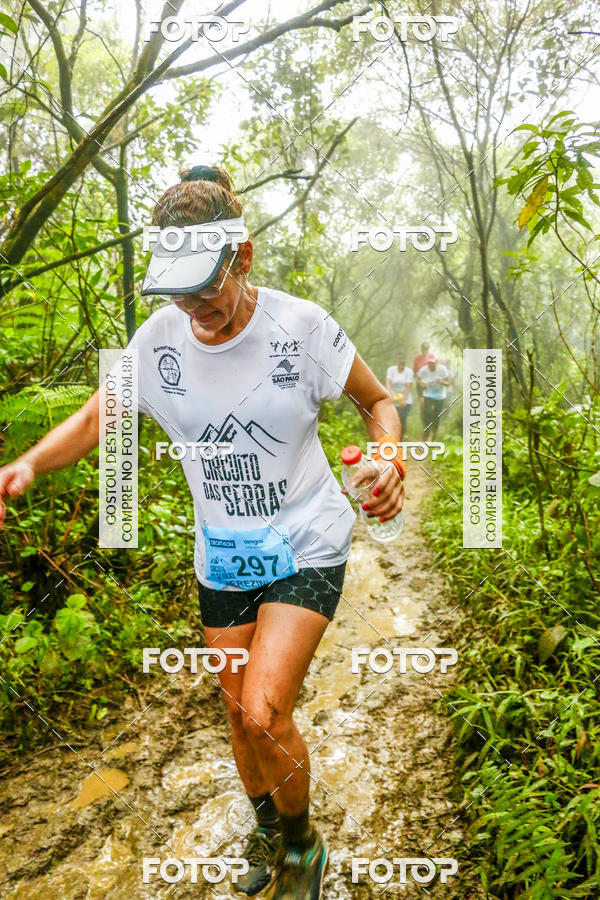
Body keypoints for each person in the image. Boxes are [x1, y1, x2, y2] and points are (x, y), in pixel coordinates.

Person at [0, 166, 406, 900]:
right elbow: (98, 418)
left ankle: (301, 845)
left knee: (264, 708)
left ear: (242, 259)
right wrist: (24, 465)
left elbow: (377, 403)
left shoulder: (303, 326)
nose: (194, 309)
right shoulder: (161, 340)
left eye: (207, 291)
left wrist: (386, 453)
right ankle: (265, 827)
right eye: (178, 293)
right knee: (237, 715)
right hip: (224, 552)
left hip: (307, 536)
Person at [417, 352, 450, 441]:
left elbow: (448, 383)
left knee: (436, 416)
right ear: (427, 363)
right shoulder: (424, 370)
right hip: (428, 394)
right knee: (427, 413)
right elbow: (418, 378)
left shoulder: (442, 369)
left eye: (433, 363)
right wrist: (422, 384)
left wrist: (442, 382)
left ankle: (434, 434)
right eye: (429, 364)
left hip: (440, 395)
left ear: (437, 362)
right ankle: (426, 433)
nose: (431, 366)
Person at [385, 352, 413, 439]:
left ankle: (401, 438)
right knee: (393, 418)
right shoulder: (391, 370)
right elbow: (389, 382)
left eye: (403, 364)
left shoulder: (409, 371)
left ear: (405, 363)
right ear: (396, 362)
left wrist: (404, 399)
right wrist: (389, 393)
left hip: (406, 399)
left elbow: (408, 386)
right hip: (393, 397)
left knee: (402, 418)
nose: (401, 365)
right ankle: (392, 437)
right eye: (400, 363)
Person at [412, 341, 430, 427]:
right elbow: (414, 373)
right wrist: (420, 382)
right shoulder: (417, 359)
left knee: (430, 405)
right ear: (421, 349)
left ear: (428, 349)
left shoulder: (432, 358)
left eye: (426, 349)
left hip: (430, 385)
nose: (425, 351)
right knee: (423, 404)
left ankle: (431, 424)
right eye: (423, 349)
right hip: (420, 384)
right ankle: (424, 424)